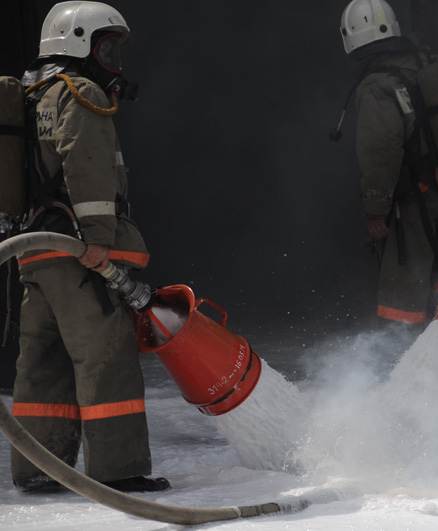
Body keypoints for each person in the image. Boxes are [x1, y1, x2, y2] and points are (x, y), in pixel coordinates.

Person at [10, 1, 169, 493]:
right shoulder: (79, 92)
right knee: (105, 356)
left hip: (36, 249)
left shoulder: (32, 95)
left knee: (43, 362)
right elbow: (88, 163)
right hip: (78, 251)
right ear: (78, 42)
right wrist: (99, 239)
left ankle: (37, 470)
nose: (111, 60)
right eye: (105, 46)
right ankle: (120, 471)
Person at [339, 0, 438, 334]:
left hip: (415, 202)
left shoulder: (377, 85)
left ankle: (399, 357)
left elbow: (380, 151)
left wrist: (375, 209)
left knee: (403, 288)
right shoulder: (437, 64)